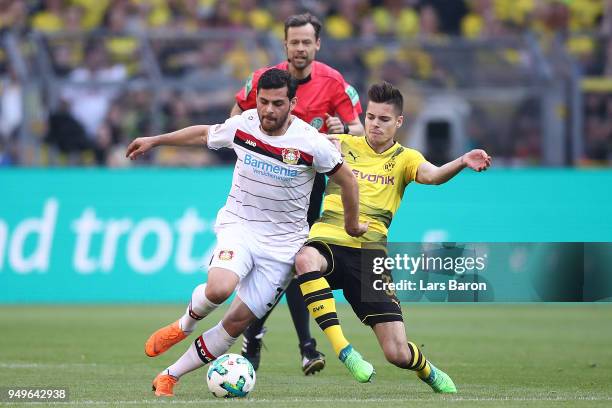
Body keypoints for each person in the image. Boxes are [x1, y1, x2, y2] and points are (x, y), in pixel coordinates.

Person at [126, 69, 370, 397]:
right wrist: (156, 140)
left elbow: (348, 181)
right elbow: (203, 134)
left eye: (277, 103)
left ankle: (169, 376)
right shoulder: (245, 125)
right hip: (240, 226)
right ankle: (184, 325)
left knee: (235, 323)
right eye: (263, 101)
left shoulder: (312, 143)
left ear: (293, 103)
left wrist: (352, 225)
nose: (268, 110)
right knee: (219, 288)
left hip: (284, 246)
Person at [293, 81, 492, 391]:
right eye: (371, 117)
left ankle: (427, 371)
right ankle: (344, 350)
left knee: (396, 352)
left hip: (370, 254)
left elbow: (433, 176)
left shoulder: (406, 158)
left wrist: (462, 161)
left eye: (384, 119)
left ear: (399, 122)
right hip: (328, 240)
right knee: (304, 259)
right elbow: (297, 144)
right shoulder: (341, 144)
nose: (374, 124)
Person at [232, 12, 365, 376]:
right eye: (295, 42)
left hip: (308, 189)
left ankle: (276, 339)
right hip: (263, 185)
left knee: (293, 262)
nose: (301, 48)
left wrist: (343, 129)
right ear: (285, 44)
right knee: (272, 267)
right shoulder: (264, 80)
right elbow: (236, 116)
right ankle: (287, 341)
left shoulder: (334, 82)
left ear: (318, 44)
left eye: (308, 41)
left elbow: (357, 129)